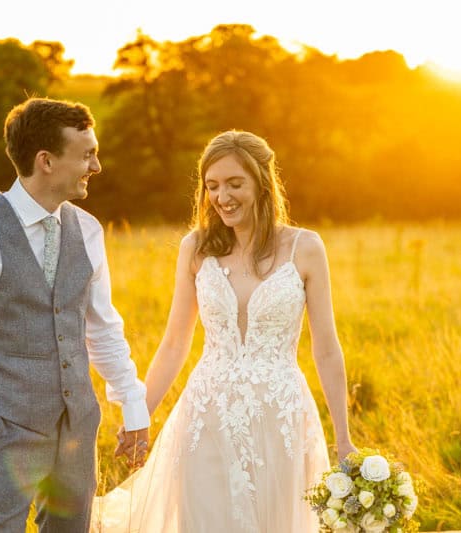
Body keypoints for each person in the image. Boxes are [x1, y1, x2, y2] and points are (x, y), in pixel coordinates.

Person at [92, 130, 357, 532]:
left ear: (263, 183)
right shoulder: (196, 248)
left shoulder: (305, 248)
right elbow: (176, 342)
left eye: (235, 184)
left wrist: (344, 439)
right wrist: (138, 414)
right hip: (207, 416)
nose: (222, 197)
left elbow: (326, 348)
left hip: (280, 416)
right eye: (212, 186)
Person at [0, 97, 150, 532]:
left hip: (78, 434)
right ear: (45, 161)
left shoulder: (88, 230)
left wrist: (133, 404)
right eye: (87, 155)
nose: (97, 166)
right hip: (5, 433)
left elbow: (102, 329)